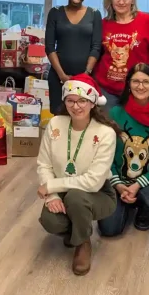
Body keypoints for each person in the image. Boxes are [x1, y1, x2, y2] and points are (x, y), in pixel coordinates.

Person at [37, 74, 117, 276]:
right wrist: (53, 196)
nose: (76, 106)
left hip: (98, 193)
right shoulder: (55, 124)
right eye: (71, 100)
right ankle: (77, 229)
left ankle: (82, 242)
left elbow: (93, 182)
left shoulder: (106, 133)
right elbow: (44, 164)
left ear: (92, 103)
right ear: (64, 101)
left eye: (82, 100)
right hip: (63, 190)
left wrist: (52, 187)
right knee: (50, 221)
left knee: (76, 197)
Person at [98, 63, 149, 237]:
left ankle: (142, 207)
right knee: (109, 230)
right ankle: (127, 203)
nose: (140, 86)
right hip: (117, 178)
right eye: (135, 81)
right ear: (128, 84)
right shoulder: (115, 113)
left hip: (147, 179)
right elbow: (105, 155)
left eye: (146, 82)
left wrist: (136, 185)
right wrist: (118, 184)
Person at [93, 0, 149, 107]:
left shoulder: (147, 22)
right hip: (106, 91)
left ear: (132, 0)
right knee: (108, 125)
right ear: (111, 0)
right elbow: (95, 53)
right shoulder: (103, 24)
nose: (121, 2)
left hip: (138, 91)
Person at [45, 0, 102, 115]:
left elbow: (96, 47)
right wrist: (62, 76)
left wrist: (86, 74)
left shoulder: (95, 14)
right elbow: (50, 47)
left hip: (86, 78)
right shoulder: (55, 12)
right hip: (58, 79)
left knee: (82, 119)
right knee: (60, 120)